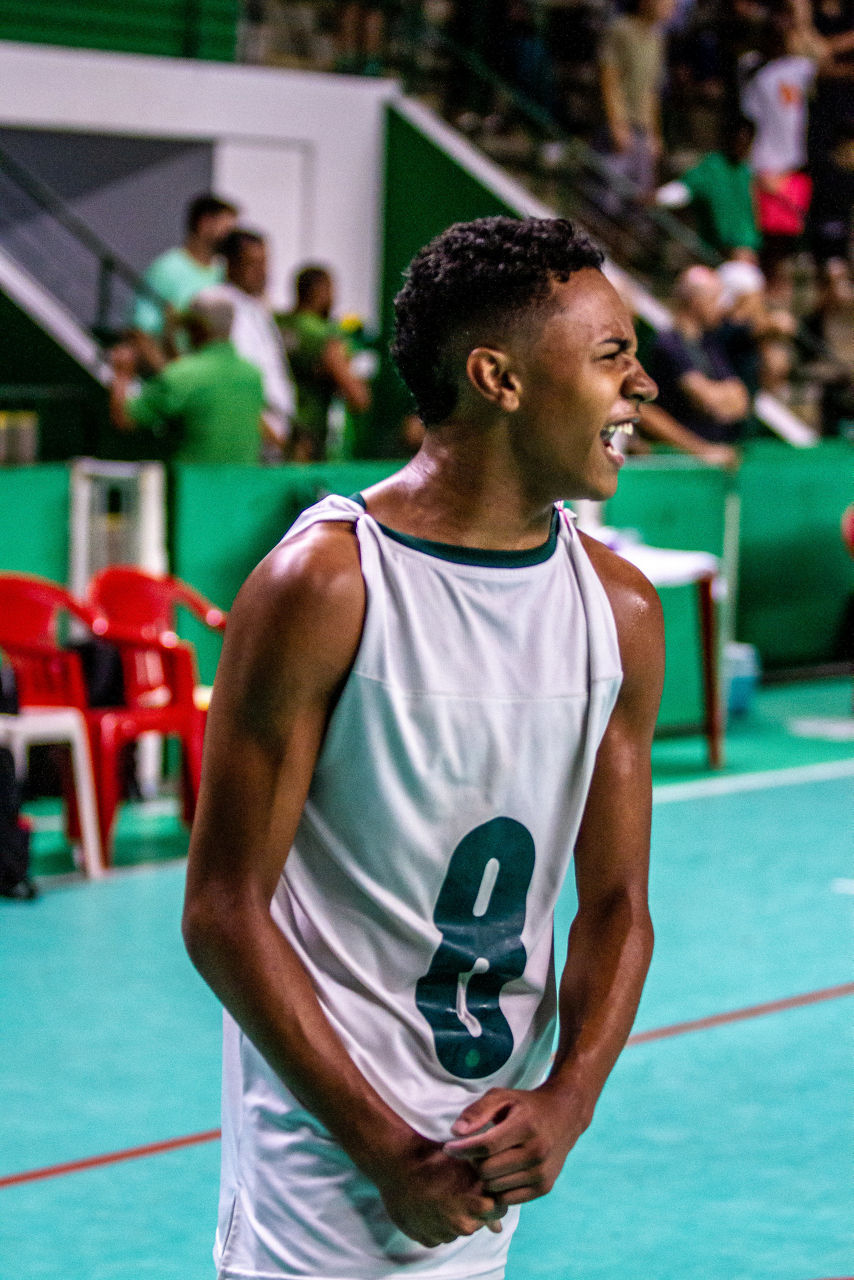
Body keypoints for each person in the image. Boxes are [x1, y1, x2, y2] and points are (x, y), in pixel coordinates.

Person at [182, 215, 664, 1280]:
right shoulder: (327, 586)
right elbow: (222, 908)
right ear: (498, 378)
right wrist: (386, 1151)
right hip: (321, 1176)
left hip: (485, 1165)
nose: (642, 385)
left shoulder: (619, 611)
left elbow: (616, 905)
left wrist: (568, 1099)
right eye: (610, 355)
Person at [109, 290, 266, 464]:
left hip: (190, 480)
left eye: (187, 326)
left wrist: (121, 373)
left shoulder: (183, 375)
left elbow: (124, 418)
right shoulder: (253, 375)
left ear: (198, 328)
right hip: (242, 479)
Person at [644, 264, 751, 454]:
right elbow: (704, 398)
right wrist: (718, 399)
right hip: (676, 460)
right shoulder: (668, 344)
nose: (722, 308)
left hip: (713, 454)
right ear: (695, 301)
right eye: (715, 299)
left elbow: (741, 400)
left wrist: (717, 398)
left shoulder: (710, 344)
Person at [129, 193, 238, 372]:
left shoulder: (224, 275)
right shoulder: (167, 269)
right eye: (227, 229)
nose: (232, 240)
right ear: (205, 223)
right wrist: (172, 377)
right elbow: (141, 332)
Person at [277, 264, 372, 461]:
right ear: (321, 292)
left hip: (279, 432)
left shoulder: (279, 324)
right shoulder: (322, 334)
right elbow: (358, 397)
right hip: (310, 438)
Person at [217, 228, 296, 457]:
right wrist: (272, 436)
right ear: (231, 265)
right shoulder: (222, 309)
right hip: (255, 436)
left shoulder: (258, 309)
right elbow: (233, 383)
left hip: (278, 436)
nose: (262, 272)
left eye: (264, 263)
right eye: (252, 264)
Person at [597, 0, 676, 205]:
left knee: (640, 201)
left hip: (643, 130)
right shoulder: (620, 29)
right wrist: (617, 125)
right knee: (607, 199)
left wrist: (655, 133)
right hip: (619, 128)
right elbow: (609, 78)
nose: (672, 5)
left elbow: (652, 91)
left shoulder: (657, 38)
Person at [655, 115, 762, 260]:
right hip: (718, 251)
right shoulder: (712, 167)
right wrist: (656, 197)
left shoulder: (746, 171)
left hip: (746, 251)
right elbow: (683, 189)